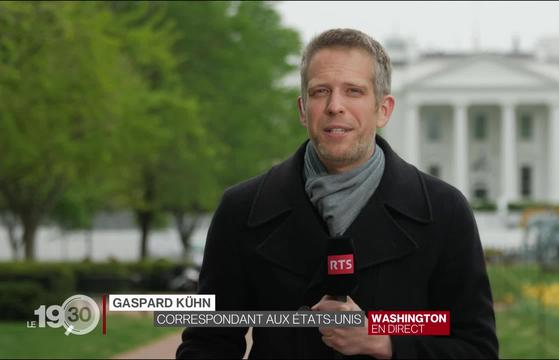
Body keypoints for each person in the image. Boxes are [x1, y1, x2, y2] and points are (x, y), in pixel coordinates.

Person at [176, 28, 498, 359]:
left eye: (354, 91)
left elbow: (476, 348)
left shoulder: (445, 211)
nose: (335, 106)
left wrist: (383, 339)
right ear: (303, 109)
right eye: (320, 91)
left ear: (383, 109)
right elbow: (208, 342)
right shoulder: (241, 210)